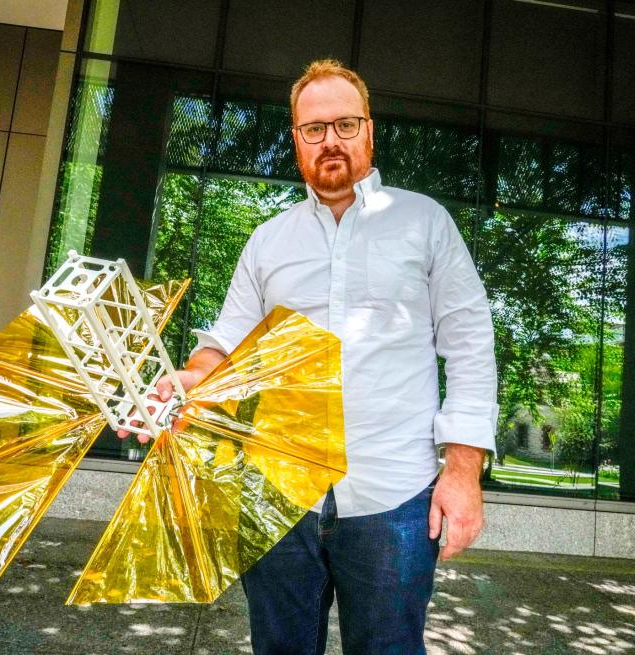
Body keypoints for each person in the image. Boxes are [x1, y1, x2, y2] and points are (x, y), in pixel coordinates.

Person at [121, 59, 499, 654]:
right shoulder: (269, 240)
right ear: (296, 139)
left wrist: (462, 471)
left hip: (393, 497)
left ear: (369, 130)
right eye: (313, 129)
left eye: (345, 125)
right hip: (276, 493)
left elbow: (471, 344)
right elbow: (224, 346)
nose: (330, 141)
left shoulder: (425, 223)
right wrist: (182, 385)